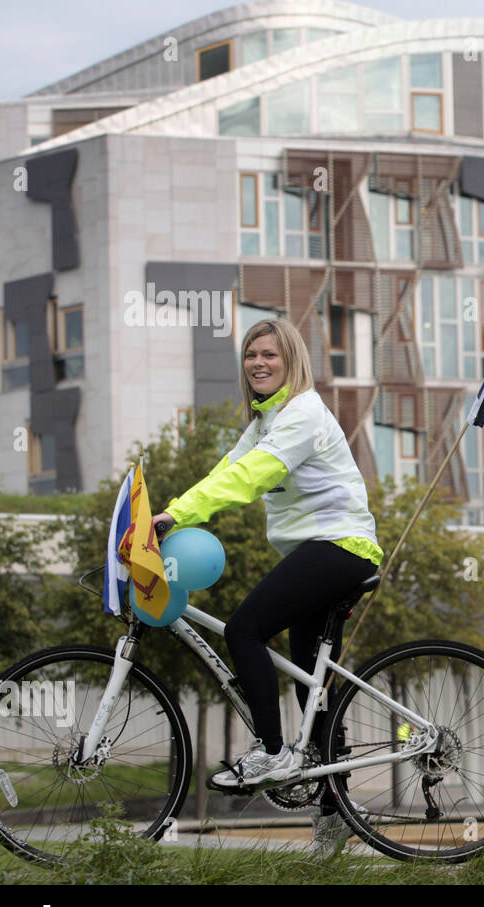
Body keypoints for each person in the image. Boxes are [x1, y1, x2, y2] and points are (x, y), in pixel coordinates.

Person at [151, 317, 383, 859]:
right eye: (251, 355)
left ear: (291, 361)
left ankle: (273, 751)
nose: (258, 363)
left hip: (340, 547)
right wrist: (168, 514)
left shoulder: (300, 413)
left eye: (269, 355)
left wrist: (178, 514)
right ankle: (337, 813)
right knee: (311, 689)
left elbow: (249, 477)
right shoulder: (265, 421)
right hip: (319, 552)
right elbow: (227, 469)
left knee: (244, 628)